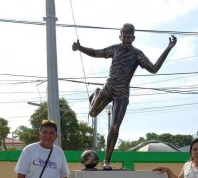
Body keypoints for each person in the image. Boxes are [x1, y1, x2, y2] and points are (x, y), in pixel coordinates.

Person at [72, 23, 177, 170]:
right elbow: (97, 53)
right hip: (109, 87)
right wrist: (80, 48)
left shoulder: (137, 54)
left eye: (129, 37)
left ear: (134, 37)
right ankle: (96, 94)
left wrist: (168, 48)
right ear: (120, 35)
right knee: (93, 113)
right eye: (124, 36)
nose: (127, 39)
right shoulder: (115, 49)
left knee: (114, 127)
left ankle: (107, 161)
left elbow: (154, 69)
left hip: (122, 92)